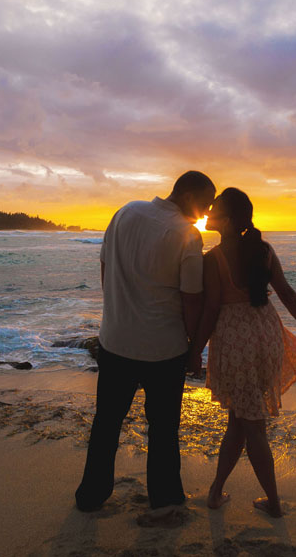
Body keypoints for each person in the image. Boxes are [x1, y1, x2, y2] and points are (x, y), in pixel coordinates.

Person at [75, 171, 216, 515]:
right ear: (187, 195)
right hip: (163, 349)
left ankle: (91, 496)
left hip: (115, 340)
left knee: (107, 421)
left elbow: (106, 267)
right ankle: (164, 498)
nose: (206, 212)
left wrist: (116, 312)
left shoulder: (126, 212)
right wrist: (195, 350)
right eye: (205, 203)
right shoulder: (187, 235)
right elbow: (192, 300)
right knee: (164, 427)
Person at [188, 187, 296, 518]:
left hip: (236, 343)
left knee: (252, 427)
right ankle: (215, 491)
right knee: (239, 420)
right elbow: (286, 293)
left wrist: (195, 351)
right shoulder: (263, 250)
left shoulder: (214, 259)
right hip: (266, 336)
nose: (208, 216)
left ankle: (274, 504)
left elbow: (210, 310)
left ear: (229, 220)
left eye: (215, 211)